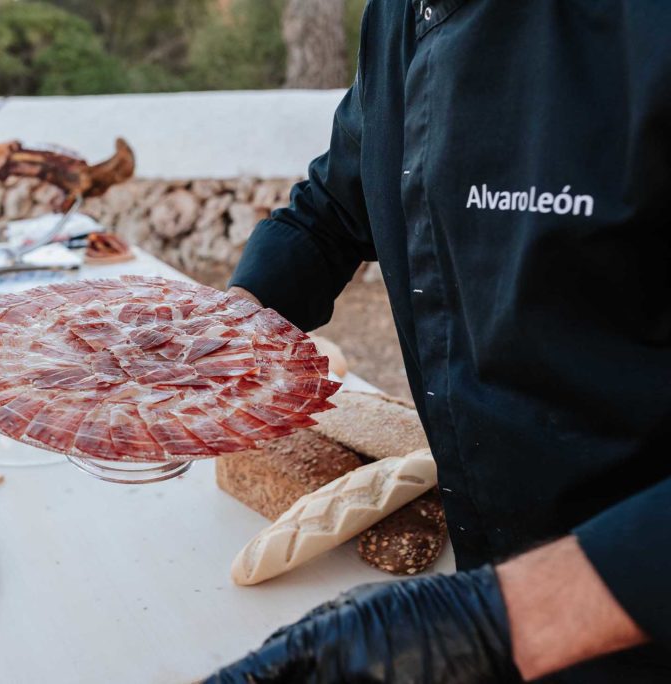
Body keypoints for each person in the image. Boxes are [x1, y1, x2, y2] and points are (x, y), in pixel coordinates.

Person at [207, 1, 670, 682]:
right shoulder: (398, 13)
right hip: (482, 564)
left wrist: (497, 619)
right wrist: (221, 330)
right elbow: (333, 209)